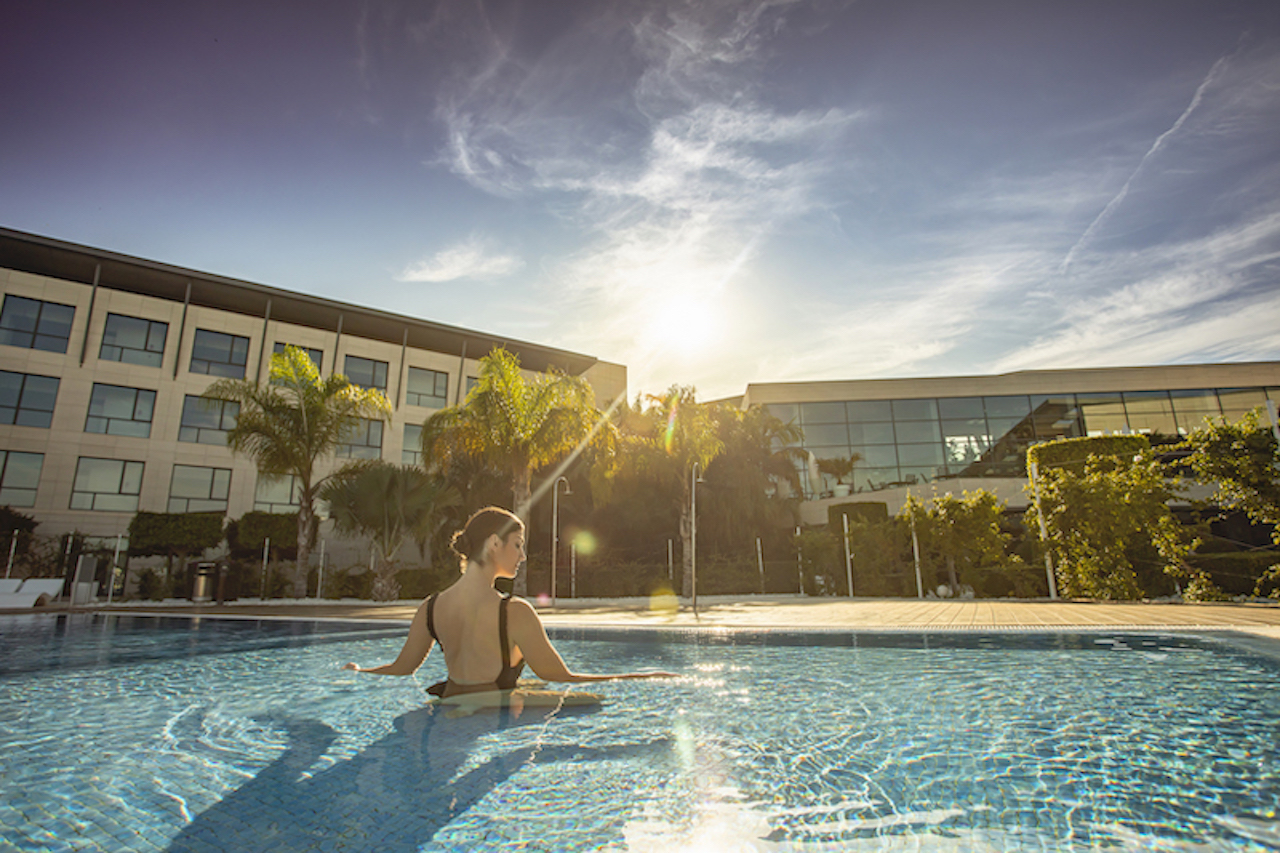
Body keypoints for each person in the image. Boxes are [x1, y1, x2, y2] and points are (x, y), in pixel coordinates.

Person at [343, 506, 673, 698]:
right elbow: (563, 678)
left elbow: (401, 670)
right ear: (494, 543)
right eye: (517, 545)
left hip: (447, 715)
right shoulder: (514, 612)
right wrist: (643, 678)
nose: (523, 556)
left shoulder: (431, 607)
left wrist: (359, 671)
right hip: (491, 728)